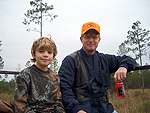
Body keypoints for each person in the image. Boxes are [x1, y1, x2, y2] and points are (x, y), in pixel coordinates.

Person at [58, 22, 137, 113]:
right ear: (81, 39)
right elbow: (64, 87)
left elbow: (129, 60)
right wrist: (76, 109)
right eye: (87, 36)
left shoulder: (105, 59)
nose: (91, 40)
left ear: (99, 40)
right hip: (81, 108)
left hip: (105, 109)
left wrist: (123, 67)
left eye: (94, 37)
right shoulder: (70, 60)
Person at [14, 37, 65, 113]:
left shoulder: (55, 77)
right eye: (41, 51)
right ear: (33, 54)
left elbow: (58, 103)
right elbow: (20, 105)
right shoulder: (25, 75)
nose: (45, 55)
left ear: (53, 55)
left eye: (49, 52)